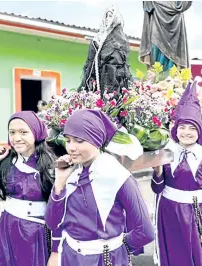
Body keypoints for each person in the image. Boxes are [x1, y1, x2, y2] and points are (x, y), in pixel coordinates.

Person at [45, 109, 154, 266]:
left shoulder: (118, 177)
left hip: (105, 260)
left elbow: (145, 232)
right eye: (68, 140)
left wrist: (116, 248)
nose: (71, 147)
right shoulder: (71, 173)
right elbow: (52, 222)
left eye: (79, 140)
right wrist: (60, 182)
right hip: (70, 258)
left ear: (96, 140)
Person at [0, 111, 56, 265]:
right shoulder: (6, 164)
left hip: (38, 234)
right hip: (8, 230)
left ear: (36, 132)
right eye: (12, 132)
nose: (16, 138)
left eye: (23, 132)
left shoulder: (52, 165)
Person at [152, 82, 202, 266]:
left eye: (192, 128)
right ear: (175, 129)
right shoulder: (166, 151)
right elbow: (157, 188)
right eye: (182, 127)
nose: (186, 132)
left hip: (195, 214)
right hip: (167, 212)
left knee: (196, 257)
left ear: (200, 131)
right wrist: (158, 170)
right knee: (171, 255)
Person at [78, 5, 132, 94]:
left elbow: (117, 63)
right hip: (96, 76)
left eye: (110, 16)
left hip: (111, 79)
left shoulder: (120, 40)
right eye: (106, 16)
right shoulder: (98, 37)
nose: (107, 19)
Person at [139, 1, 192, 71]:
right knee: (155, 46)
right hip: (157, 11)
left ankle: (170, 77)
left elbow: (184, 4)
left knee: (174, 56)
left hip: (174, 15)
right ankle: (156, 76)